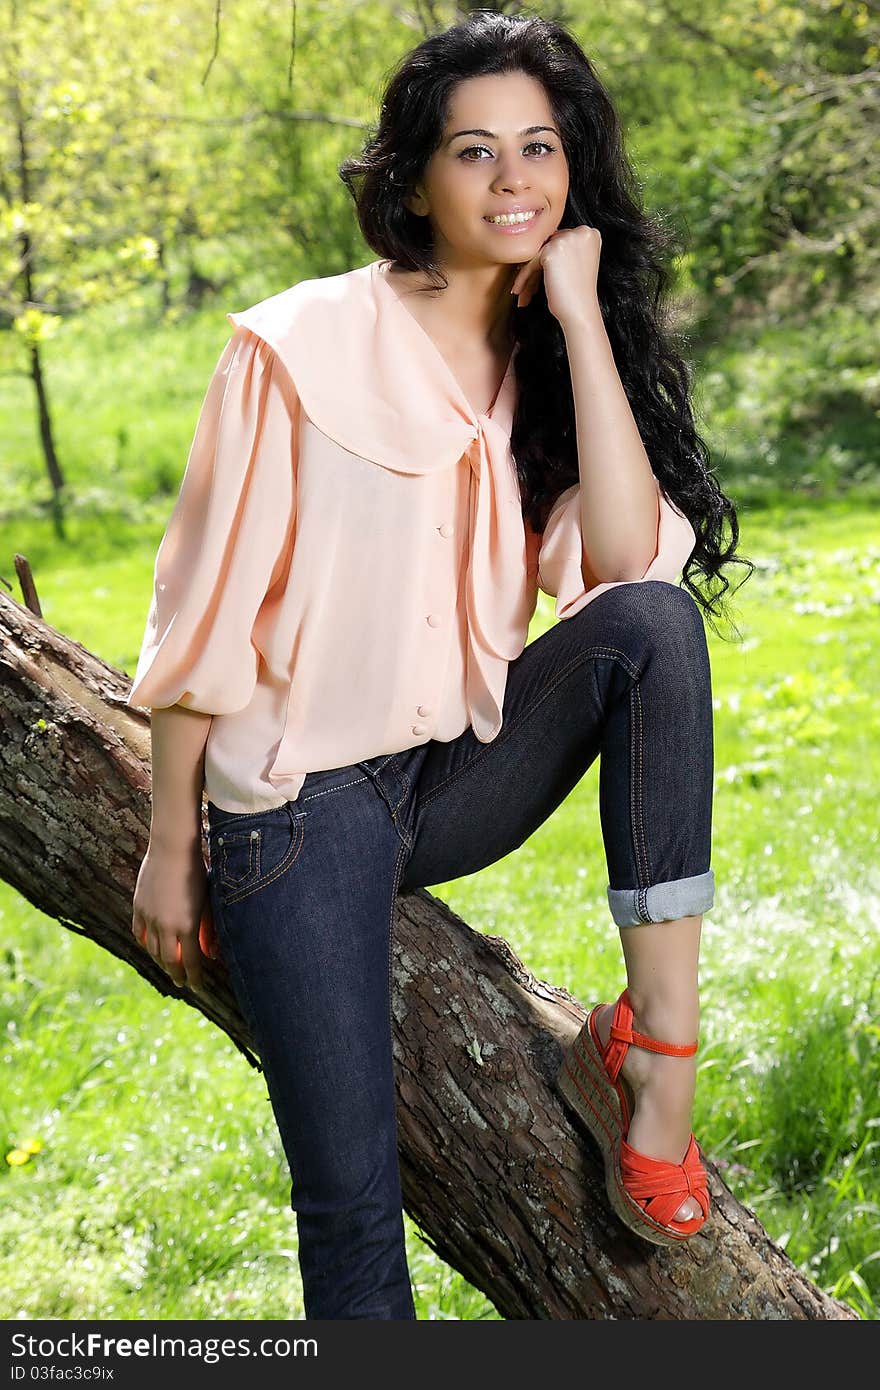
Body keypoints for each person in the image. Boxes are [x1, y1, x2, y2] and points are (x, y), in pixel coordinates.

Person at [127, 11, 752, 1318]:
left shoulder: (542, 356)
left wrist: (578, 317)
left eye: (539, 148)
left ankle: (656, 1064)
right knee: (350, 1199)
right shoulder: (297, 344)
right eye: (476, 152)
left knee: (655, 627)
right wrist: (170, 840)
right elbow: (205, 600)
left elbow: (629, 563)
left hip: (444, 774)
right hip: (295, 811)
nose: (513, 178)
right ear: (416, 177)